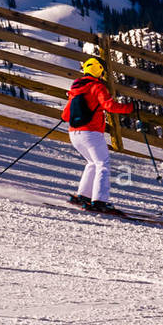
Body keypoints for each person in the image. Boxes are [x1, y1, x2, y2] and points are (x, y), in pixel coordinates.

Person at [62, 56, 134, 211]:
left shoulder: (75, 88)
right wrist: (129, 108)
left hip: (74, 134)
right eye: (102, 71)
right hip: (91, 133)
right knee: (103, 164)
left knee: (93, 163)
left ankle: (83, 196)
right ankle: (100, 201)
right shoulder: (97, 86)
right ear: (98, 70)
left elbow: (65, 116)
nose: (103, 76)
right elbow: (109, 106)